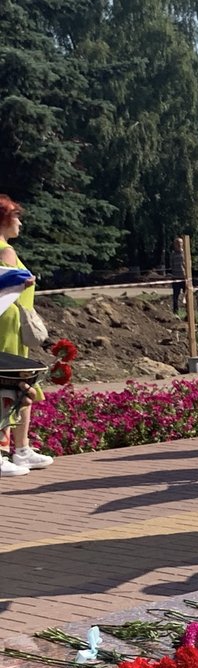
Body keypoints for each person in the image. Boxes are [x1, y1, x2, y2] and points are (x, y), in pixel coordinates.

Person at [0, 195, 53, 476]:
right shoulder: (5, 251)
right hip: (7, 325)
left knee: (20, 386)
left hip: (12, 325)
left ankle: (21, 449)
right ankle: (7, 451)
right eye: (16, 216)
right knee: (10, 386)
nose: (19, 223)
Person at [170, 237, 185, 314]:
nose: (179, 245)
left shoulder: (185, 253)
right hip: (175, 278)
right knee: (175, 296)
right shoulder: (173, 254)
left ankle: (188, 312)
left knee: (187, 295)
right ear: (174, 245)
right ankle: (176, 312)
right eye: (177, 243)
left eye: (180, 243)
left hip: (184, 278)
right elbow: (171, 265)